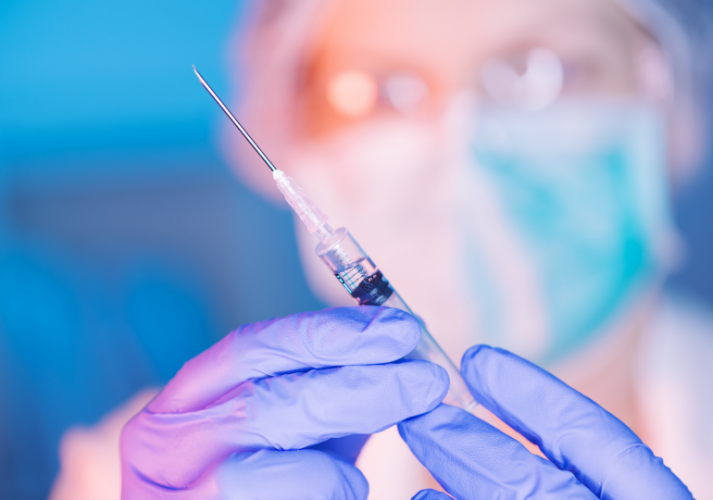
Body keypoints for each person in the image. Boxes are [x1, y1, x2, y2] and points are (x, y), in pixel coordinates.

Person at [50, 0, 713, 498]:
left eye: (541, 71)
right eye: (379, 91)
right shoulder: (172, 476)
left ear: (667, 98)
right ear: (293, 135)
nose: (459, 138)